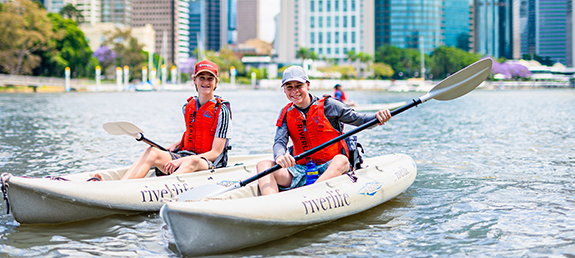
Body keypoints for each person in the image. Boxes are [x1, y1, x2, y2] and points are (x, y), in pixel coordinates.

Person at [256, 65, 391, 195]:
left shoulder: (329, 105)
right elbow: (279, 142)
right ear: (284, 90)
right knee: (263, 165)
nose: (294, 91)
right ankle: (271, 203)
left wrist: (378, 117)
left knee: (341, 160)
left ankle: (309, 194)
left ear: (308, 85)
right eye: (289, 87)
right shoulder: (286, 113)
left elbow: (360, 119)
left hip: (332, 167)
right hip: (302, 170)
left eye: (299, 86)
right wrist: (280, 156)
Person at [98, 60, 232, 180]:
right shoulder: (187, 107)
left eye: (210, 79)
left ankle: (161, 187)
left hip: (209, 164)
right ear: (194, 80)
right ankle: (121, 186)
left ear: (216, 82)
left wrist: (181, 162)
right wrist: (177, 145)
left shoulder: (221, 111)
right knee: (152, 151)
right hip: (186, 155)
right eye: (201, 78)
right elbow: (197, 133)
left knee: (191, 162)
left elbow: (216, 152)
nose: (206, 82)